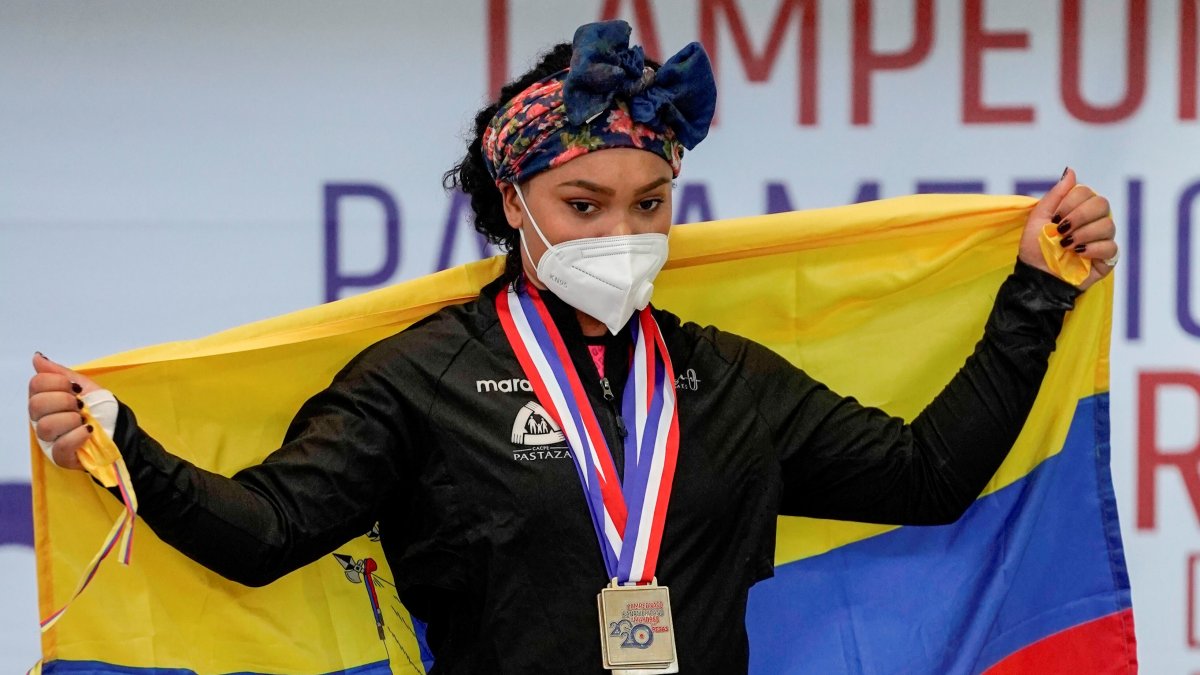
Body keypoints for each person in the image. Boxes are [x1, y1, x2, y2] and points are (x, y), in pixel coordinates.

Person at [27, 20, 1117, 674]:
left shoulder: (723, 377)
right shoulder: (421, 380)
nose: (623, 235)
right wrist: (122, 442)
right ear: (515, 200)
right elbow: (266, 532)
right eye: (585, 204)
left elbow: (928, 479)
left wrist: (1033, 295)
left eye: (649, 204)